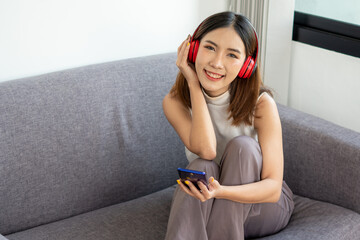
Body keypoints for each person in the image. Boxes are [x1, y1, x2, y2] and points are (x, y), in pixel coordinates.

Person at [163, 11, 294, 240]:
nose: (216, 63)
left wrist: (222, 192)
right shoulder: (175, 102)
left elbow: (272, 189)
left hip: (263, 206)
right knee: (201, 166)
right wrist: (194, 83)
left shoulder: (262, 105)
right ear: (193, 49)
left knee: (243, 147)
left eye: (232, 55)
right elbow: (207, 150)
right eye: (210, 48)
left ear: (247, 65)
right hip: (210, 198)